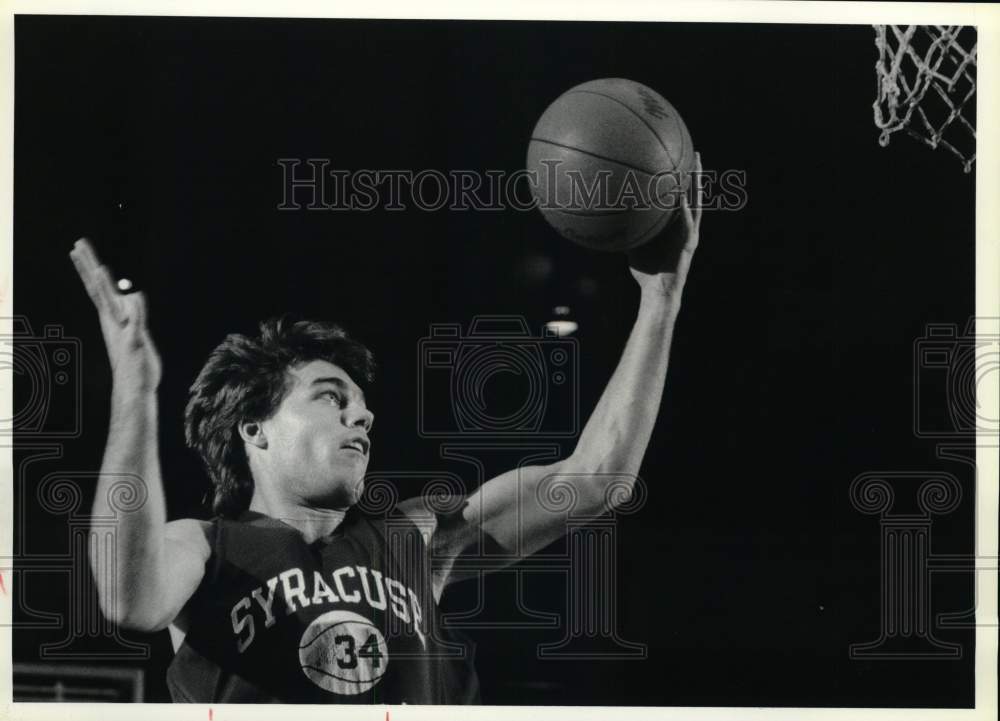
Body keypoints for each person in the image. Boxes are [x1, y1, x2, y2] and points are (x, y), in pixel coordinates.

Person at [69, 157, 702, 704]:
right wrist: (136, 388)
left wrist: (661, 299)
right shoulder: (206, 548)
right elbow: (131, 600)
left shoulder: (416, 537)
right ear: (254, 429)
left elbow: (594, 481)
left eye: (363, 403)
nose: (363, 415)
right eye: (330, 396)